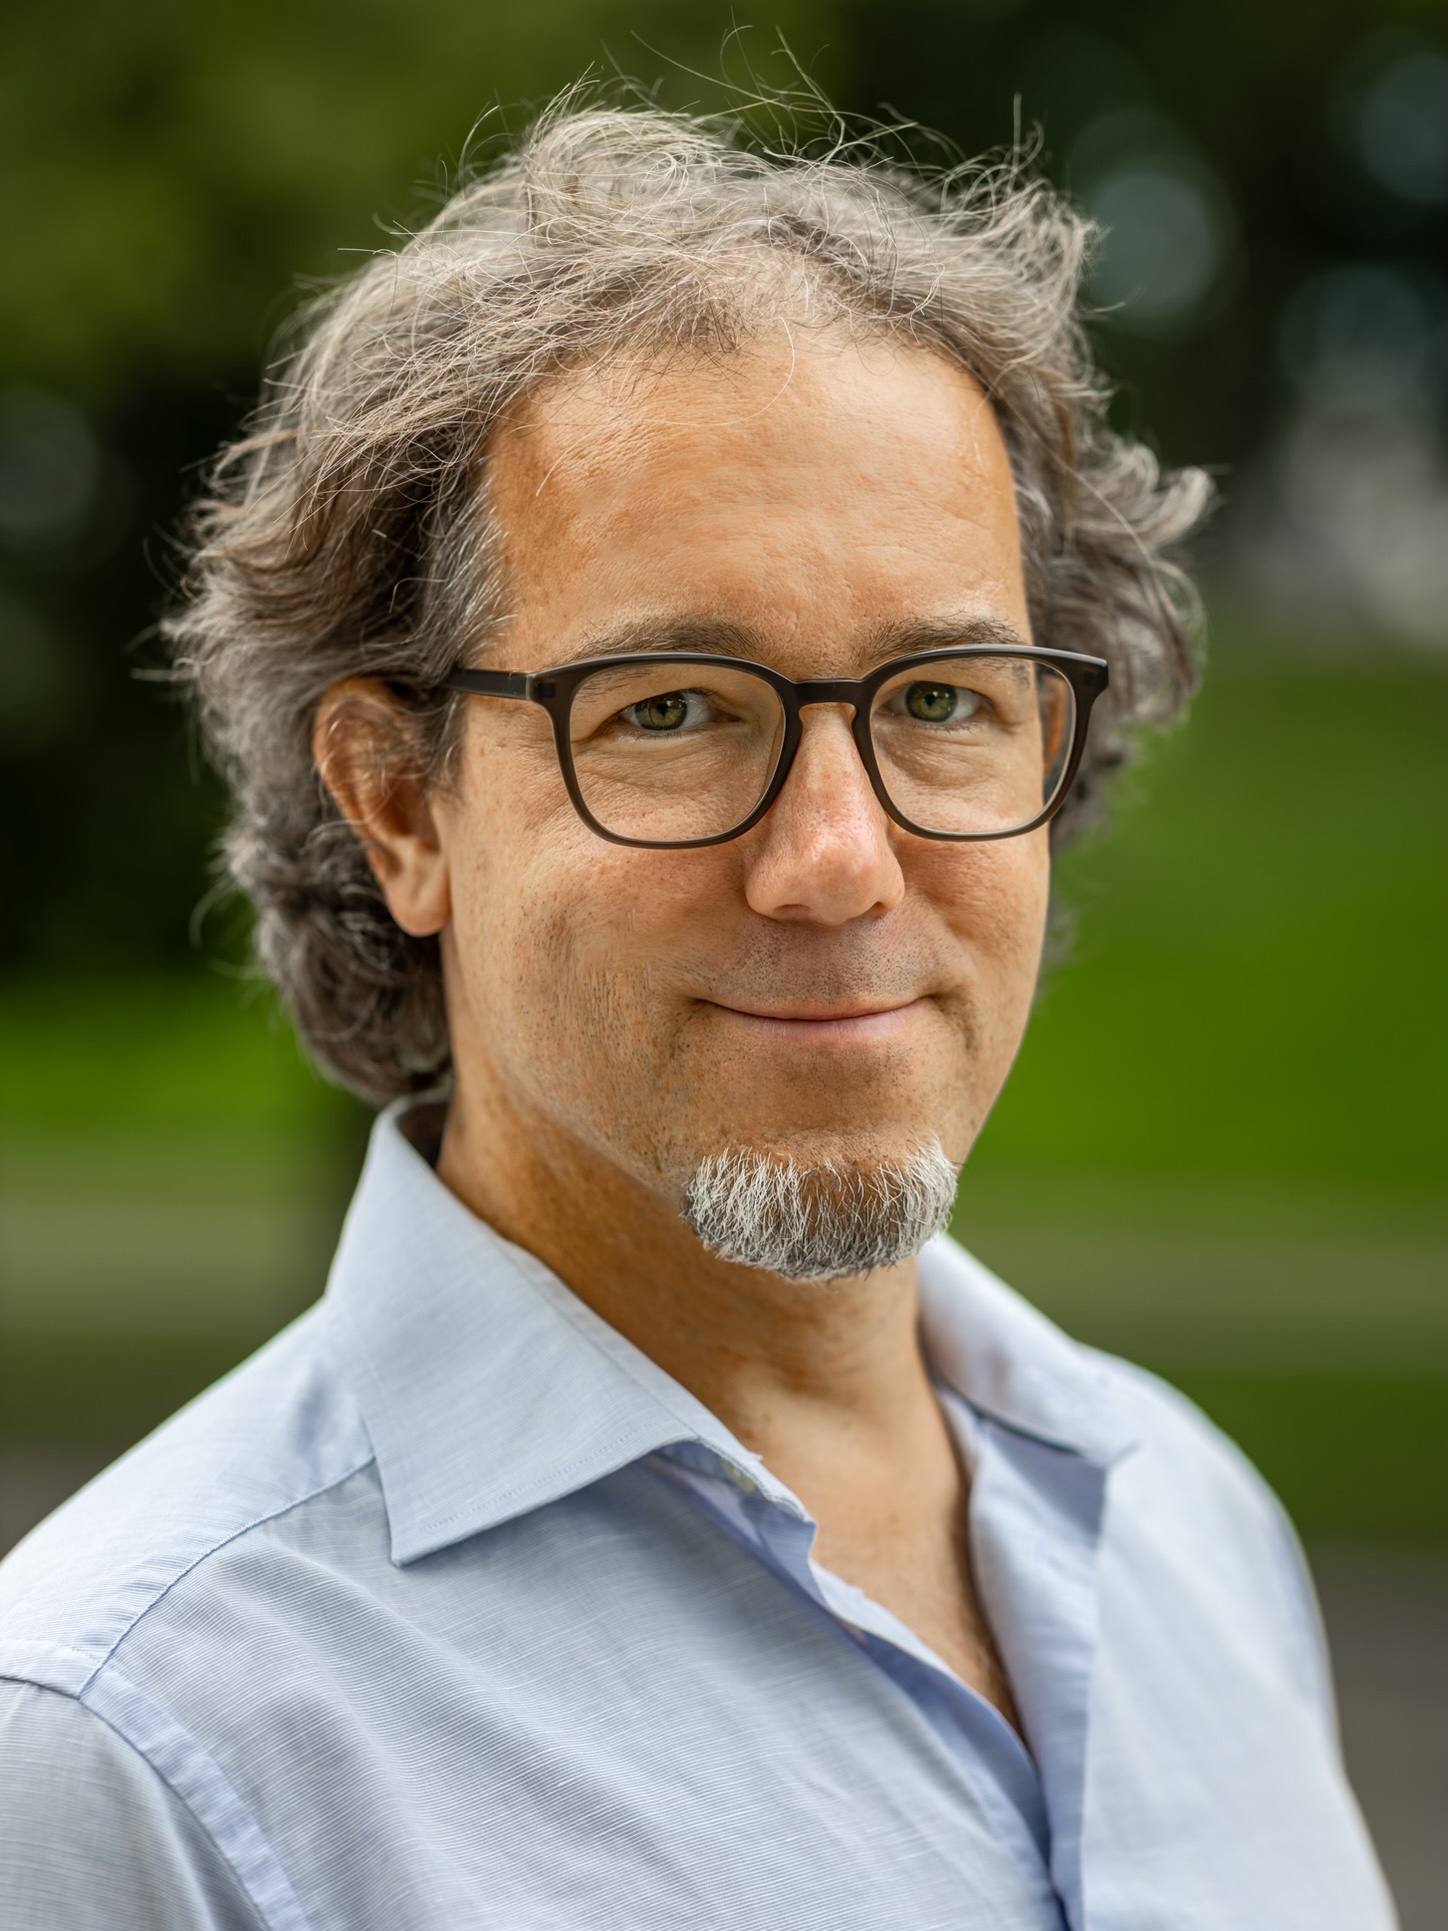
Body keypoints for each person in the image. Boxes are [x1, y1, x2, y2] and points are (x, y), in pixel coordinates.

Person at [0, 101, 1394, 1930]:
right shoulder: (127, 1754)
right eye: (670, 709)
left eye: (944, 699)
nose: (838, 861)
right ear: (401, 807)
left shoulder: (1184, 1519)